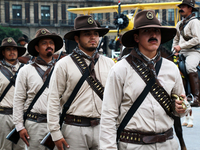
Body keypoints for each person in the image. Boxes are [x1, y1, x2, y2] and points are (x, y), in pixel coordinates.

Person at [99, 10, 191, 150]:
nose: (153, 35)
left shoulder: (172, 68)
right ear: (136, 37)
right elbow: (108, 116)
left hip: (168, 144)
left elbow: (181, 106)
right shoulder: (120, 69)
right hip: (134, 145)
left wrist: (181, 107)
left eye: (157, 31)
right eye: (147, 31)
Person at [47, 15, 115, 150]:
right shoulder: (63, 64)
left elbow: (115, 99)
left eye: (96, 34)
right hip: (74, 129)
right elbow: (53, 99)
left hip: (103, 128)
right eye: (87, 34)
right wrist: (55, 132)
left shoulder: (109, 64)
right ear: (77, 38)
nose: (93, 37)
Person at [13, 28, 63, 149]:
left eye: (51, 43)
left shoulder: (62, 68)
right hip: (34, 124)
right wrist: (20, 127)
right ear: (37, 48)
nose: (49, 46)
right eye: (44, 43)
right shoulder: (25, 70)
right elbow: (18, 100)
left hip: (58, 124)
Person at [172, 0, 200, 128]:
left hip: (193, 51)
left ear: (190, 9)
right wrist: (174, 50)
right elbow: (176, 39)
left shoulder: (195, 22)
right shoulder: (179, 24)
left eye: (183, 7)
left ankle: (196, 97)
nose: (181, 9)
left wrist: (181, 46)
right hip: (181, 52)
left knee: (190, 67)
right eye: (180, 7)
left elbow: (197, 39)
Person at [0, 37, 26, 150]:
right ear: (3, 52)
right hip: (3, 115)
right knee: (4, 148)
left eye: (14, 49)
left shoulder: (26, 69)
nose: (12, 52)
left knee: (21, 148)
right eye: (8, 49)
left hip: (21, 115)